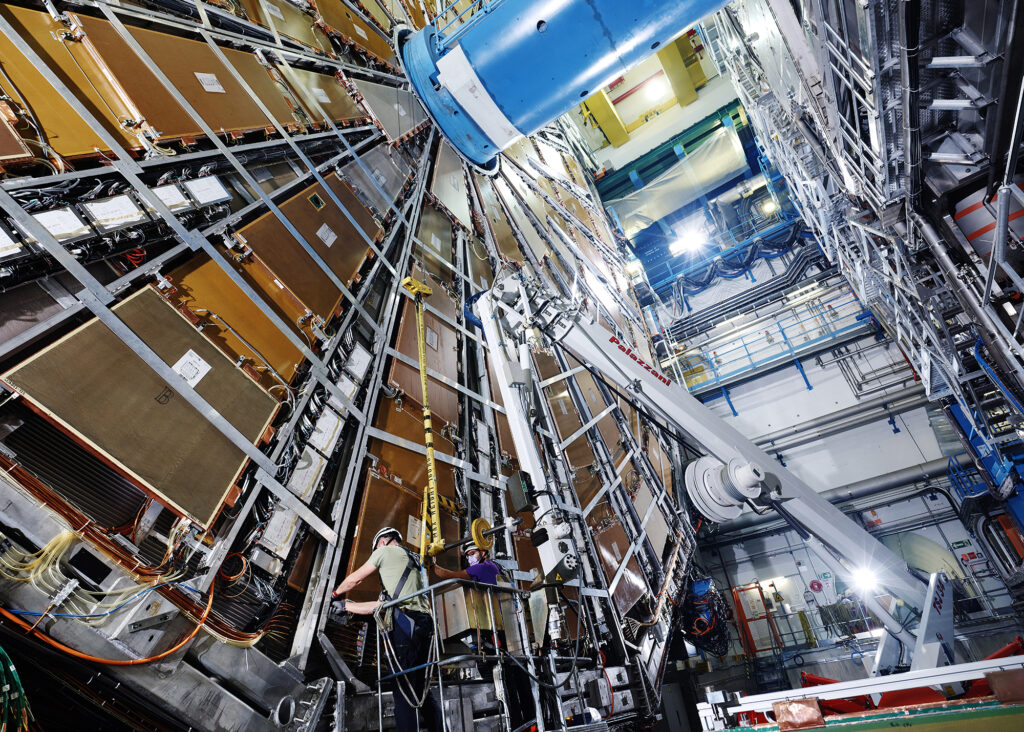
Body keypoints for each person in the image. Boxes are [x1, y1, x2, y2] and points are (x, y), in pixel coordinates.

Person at [332, 526, 443, 731]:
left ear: (382, 542)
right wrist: (348, 607)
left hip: (405, 627)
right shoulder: (413, 560)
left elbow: (355, 579)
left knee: (403, 692)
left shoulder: (383, 552)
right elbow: (378, 606)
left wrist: (335, 595)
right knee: (421, 691)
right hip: (425, 626)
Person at [432, 543, 500, 585]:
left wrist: (432, 564)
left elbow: (452, 576)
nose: (470, 558)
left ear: (482, 553)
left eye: (472, 553)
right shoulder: (492, 565)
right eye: (468, 556)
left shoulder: (482, 567)